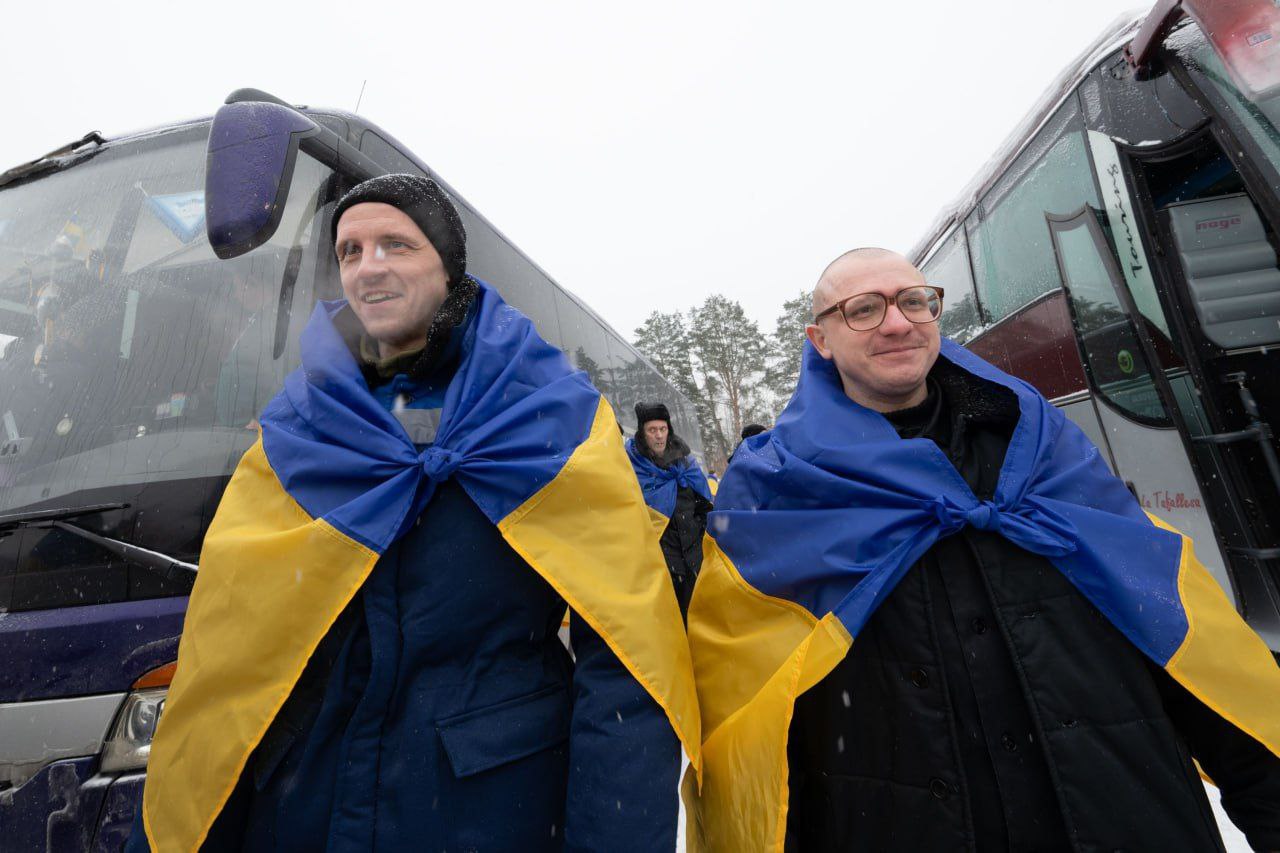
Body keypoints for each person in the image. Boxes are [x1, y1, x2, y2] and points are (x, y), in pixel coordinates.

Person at [128, 174, 698, 853]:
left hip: (489, 814)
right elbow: (223, 665)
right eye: (349, 251)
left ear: (447, 265)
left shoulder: (552, 415)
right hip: (300, 811)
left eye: (395, 244)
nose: (369, 266)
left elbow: (628, 664)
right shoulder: (294, 430)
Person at [685, 248, 1280, 852]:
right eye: (863, 310)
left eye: (913, 301)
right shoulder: (776, 492)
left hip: (1120, 811)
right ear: (820, 340)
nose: (897, 323)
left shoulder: (1046, 452)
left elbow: (1165, 619)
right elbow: (746, 705)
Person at [626, 402, 713, 617]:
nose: (658, 436)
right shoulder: (633, 469)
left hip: (695, 561)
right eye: (652, 430)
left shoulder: (686, 464)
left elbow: (705, 507)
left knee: (700, 620)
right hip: (661, 566)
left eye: (662, 429)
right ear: (642, 433)